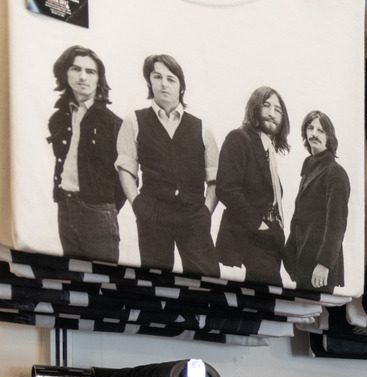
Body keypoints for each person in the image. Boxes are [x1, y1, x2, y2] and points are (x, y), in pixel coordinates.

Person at [115, 54, 219, 276]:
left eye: (171, 79)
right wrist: (138, 205)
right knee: (155, 284)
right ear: (149, 82)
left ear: (181, 86)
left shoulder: (202, 128)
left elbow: (214, 178)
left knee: (209, 281)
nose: (164, 83)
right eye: (157, 77)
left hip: (193, 215)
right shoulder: (134, 120)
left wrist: (205, 213)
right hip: (153, 214)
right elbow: (126, 169)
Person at [47, 45, 124, 262]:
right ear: (65, 73)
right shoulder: (58, 119)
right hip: (65, 205)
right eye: (76, 69)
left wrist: (104, 208)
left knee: (103, 282)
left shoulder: (113, 123)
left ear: (99, 79)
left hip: (98, 211)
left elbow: (126, 177)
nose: (82, 76)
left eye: (90, 71)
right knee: (73, 279)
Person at [216, 86, 289, 285]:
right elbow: (227, 189)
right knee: (261, 303)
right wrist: (259, 225)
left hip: (271, 238)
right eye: (267, 105)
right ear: (255, 107)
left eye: (278, 109)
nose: (272, 113)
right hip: (249, 237)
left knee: (268, 301)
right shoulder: (239, 138)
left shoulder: (269, 154)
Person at [284, 110, 350, 292]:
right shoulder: (309, 165)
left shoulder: (335, 172)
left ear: (329, 137)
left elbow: (337, 223)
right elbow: (300, 217)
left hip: (319, 266)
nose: (314, 134)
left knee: (312, 316)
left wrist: (324, 264)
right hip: (302, 258)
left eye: (321, 130)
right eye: (310, 128)